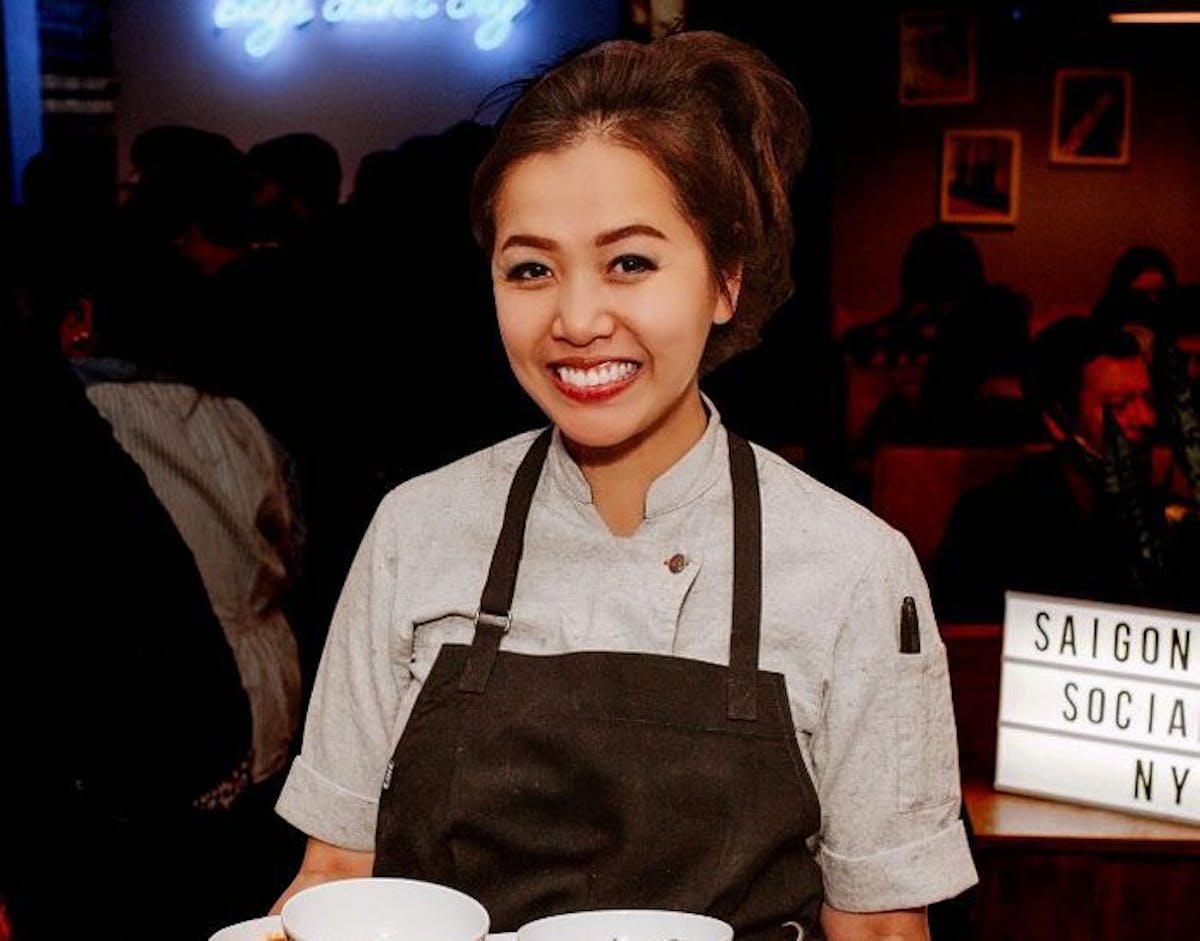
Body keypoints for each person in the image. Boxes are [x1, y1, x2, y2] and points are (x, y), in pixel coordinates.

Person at [271, 29, 977, 941]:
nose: (576, 319)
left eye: (631, 262)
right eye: (531, 268)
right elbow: (334, 873)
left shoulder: (855, 571)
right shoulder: (417, 528)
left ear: (725, 279)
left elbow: (880, 929)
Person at [931, 315, 1200, 624]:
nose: (1145, 419)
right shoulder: (990, 522)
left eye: (1148, 401)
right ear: (1058, 420)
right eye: (1120, 405)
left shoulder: (1171, 521)